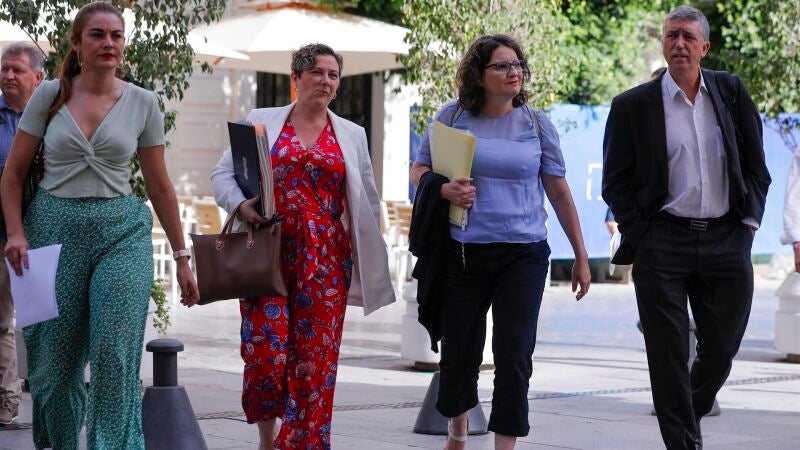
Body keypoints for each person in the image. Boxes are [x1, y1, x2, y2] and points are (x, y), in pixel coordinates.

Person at [0, 2, 200, 448]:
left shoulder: (144, 102)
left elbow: (160, 186)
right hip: (51, 231)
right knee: (53, 368)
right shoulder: (48, 95)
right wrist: (15, 232)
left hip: (121, 233)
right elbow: (12, 174)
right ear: (77, 43)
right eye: (97, 35)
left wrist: (183, 258)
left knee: (115, 355)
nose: (109, 43)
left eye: (116, 35)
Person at [409, 34, 591, 450]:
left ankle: (504, 446)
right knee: (460, 352)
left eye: (518, 65)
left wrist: (580, 255)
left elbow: (559, 191)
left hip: (524, 254)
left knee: (514, 355)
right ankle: (457, 431)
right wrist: (442, 189)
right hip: (463, 252)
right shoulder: (453, 116)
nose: (514, 72)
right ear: (479, 74)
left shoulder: (537, 123)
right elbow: (419, 170)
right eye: (503, 65)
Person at [602, 6, 771, 449]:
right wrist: (644, 237)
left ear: (704, 47)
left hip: (727, 239)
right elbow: (615, 182)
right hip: (663, 243)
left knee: (721, 350)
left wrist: (748, 225)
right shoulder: (632, 106)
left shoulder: (730, 92)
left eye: (688, 37)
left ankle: (684, 414)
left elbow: (756, 167)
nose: (679, 44)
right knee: (668, 356)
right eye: (671, 35)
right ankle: (683, 442)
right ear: (663, 43)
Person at [211, 43, 395, 450]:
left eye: (333, 75)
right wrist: (241, 204)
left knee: (313, 363)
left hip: (326, 258)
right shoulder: (261, 121)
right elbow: (222, 174)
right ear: (296, 78)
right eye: (317, 72)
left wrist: (371, 256)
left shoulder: (352, 134)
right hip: (268, 252)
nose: (326, 81)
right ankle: (268, 438)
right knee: (266, 353)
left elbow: (367, 197)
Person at [0, 41, 44, 426]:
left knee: (43, 323)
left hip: (43, 240)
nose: (9, 75)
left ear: (38, 77)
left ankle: (49, 403)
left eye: (17, 69)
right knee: (1, 322)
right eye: (4, 69)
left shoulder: (52, 120)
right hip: (2, 236)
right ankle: (7, 402)